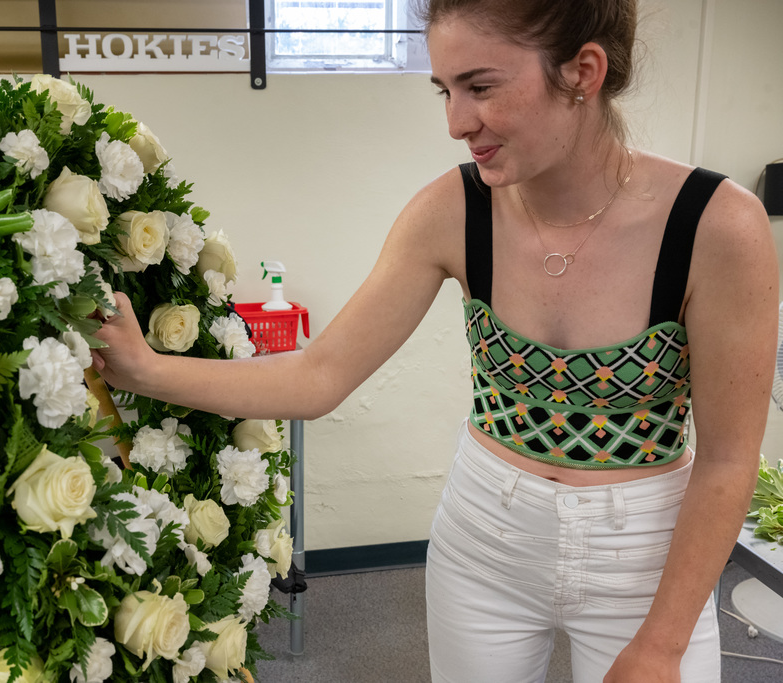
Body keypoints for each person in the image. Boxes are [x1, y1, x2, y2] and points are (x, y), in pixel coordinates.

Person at [92, 0, 778, 680]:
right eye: (445, 90)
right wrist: (147, 369)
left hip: (651, 558)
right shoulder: (451, 211)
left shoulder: (716, 228)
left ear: (583, 72)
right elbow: (319, 376)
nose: (456, 122)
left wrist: (661, 644)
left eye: (480, 87)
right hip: (486, 544)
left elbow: (724, 458)